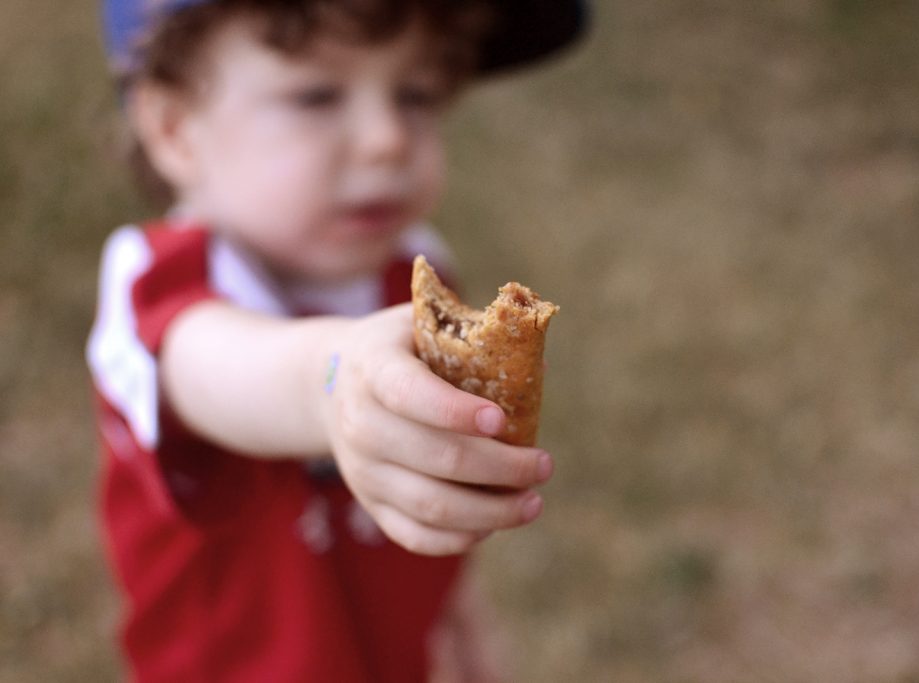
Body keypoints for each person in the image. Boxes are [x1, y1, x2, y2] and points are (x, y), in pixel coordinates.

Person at [86, 1, 586, 681]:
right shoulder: (156, 287)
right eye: (315, 95)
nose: (386, 138)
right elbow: (223, 369)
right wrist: (335, 379)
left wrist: (462, 620)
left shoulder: (413, 274)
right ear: (175, 129)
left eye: (416, 94)